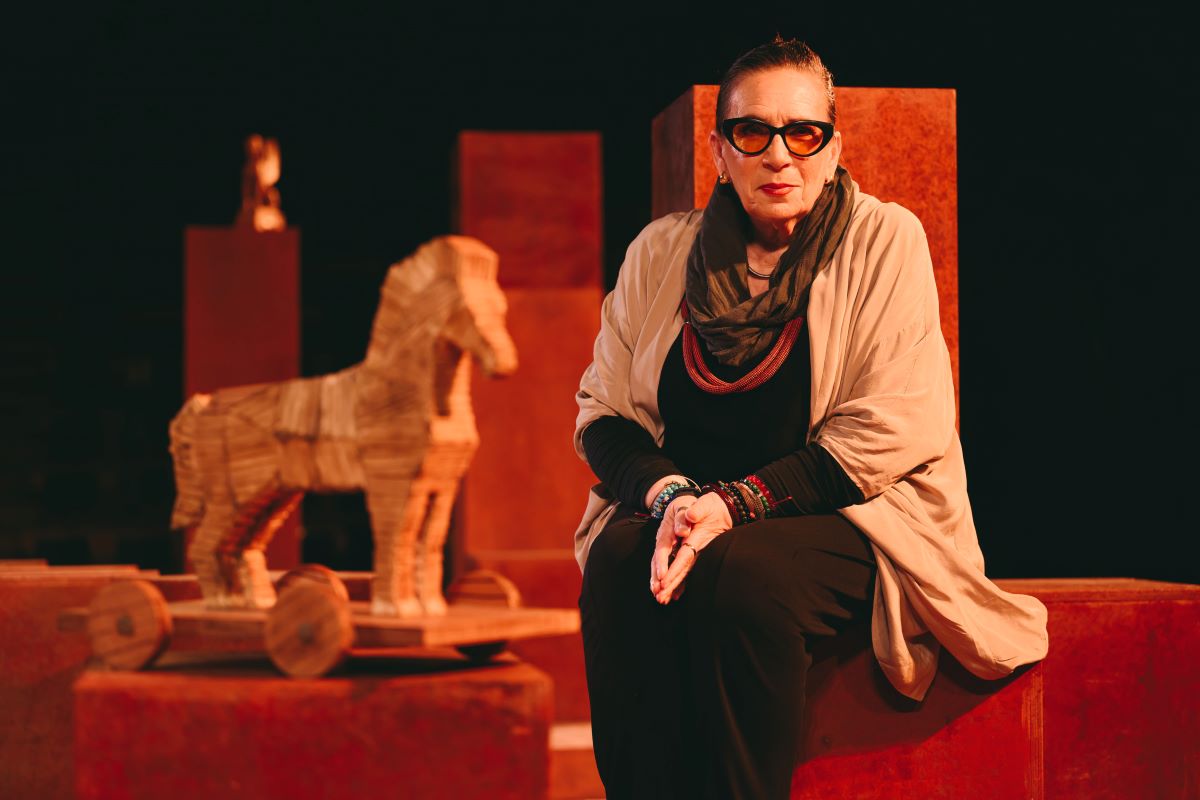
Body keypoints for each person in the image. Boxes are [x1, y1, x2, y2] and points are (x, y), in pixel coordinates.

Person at [572, 37, 1049, 800]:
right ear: (720, 150)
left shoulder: (884, 239)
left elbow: (894, 427)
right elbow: (602, 415)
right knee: (620, 562)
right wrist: (672, 497)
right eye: (752, 132)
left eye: (803, 132)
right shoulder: (660, 253)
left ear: (833, 147)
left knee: (743, 574)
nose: (778, 155)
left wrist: (733, 506)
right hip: (687, 505)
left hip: (851, 513)